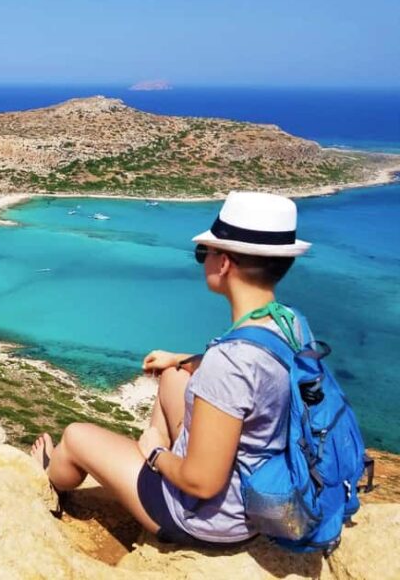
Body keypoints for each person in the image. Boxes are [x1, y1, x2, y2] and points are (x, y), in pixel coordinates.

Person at [31, 191, 312, 546]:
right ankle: (152, 466)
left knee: (74, 436)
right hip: (261, 487)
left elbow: (203, 482)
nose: (203, 260)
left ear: (223, 263)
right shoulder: (289, 324)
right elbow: (254, 371)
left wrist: (154, 452)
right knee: (174, 377)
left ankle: (48, 476)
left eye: (203, 253)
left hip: (208, 518)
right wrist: (181, 360)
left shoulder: (231, 362)